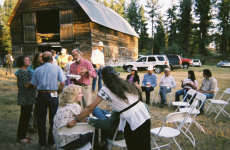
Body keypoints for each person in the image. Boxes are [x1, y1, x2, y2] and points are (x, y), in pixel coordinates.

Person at [68, 66, 151, 150]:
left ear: (103, 77)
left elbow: (90, 108)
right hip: (144, 113)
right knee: (145, 144)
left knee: (134, 145)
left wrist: (76, 120)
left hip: (132, 119)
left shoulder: (106, 89)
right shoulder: (124, 83)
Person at [31, 51, 66, 148]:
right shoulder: (57, 68)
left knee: (41, 120)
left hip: (41, 95)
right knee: (53, 119)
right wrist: (59, 91)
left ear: (43, 59)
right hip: (53, 94)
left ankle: (42, 142)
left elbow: (34, 84)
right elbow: (63, 82)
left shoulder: (37, 70)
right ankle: (51, 141)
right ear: (51, 59)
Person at [53, 85, 93, 150]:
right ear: (73, 96)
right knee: (93, 131)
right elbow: (85, 121)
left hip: (59, 142)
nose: (82, 95)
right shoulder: (75, 107)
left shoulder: (60, 106)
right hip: (70, 143)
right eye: (80, 93)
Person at [15, 56, 36, 144]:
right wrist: (35, 82)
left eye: (28, 59)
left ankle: (22, 135)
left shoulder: (25, 71)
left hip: (28, 97)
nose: (29, 61)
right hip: (25, 98)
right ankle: (21, 137)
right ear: (22, 62)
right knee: (24, 118)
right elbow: (26, 85)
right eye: (26, 60)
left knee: (26, 117)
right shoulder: (22, 72)